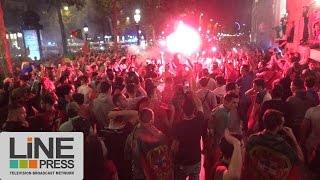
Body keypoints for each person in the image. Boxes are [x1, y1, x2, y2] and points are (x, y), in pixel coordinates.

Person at [242, 110, 304, 179]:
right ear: (279, 126)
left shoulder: (253, 139)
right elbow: (300, 160)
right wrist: (293, 138)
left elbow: (245, 161)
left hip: (254, 176)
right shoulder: (284, 146)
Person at [125, 108, 173, 180]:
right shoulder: (161, 136)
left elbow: (127, 155)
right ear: (152, 119)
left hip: (140, 172)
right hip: (157, 173)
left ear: (139, 118)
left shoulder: (131, 136)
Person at [172, 92, 204, 180]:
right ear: (194, 110)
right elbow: (200, 105)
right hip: (196, 159)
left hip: (182, 161)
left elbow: (174, 147)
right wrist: (192, 93)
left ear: (183, 110)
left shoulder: (178, 126)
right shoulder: (199, 120)